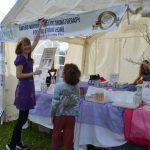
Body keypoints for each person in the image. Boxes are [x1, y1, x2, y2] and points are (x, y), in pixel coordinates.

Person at [6, 18, 46, 150]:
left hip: (28, 89)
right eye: (25, 45)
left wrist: (40, 27)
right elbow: (19, 75)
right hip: (23, 90)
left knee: (23, 118)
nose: (28, 46)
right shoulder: (21, 58)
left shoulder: (27, 55)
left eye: (28, 44)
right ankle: (12, 145)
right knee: (21, 119)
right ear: (20, 47)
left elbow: (36, 41)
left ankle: (17, 143)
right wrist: (34, 73)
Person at [51, 63, 81, 150]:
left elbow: (55, 103)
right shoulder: (77, 87)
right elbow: (76, 102)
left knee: (56, 136)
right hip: (71, 116)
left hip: (59, 116)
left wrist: (52, 115)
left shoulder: (58, 86)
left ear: (64, 74)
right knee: (69, 137)